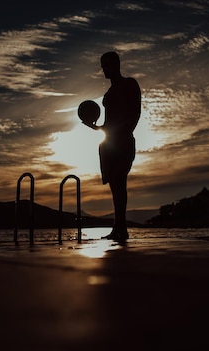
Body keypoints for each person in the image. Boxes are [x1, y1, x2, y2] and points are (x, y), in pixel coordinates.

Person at [83, 51, 141, 241]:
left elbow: (135, 114)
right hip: (108, 144)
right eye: (102, 65)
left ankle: (121, 228)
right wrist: (97, 127)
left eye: (107, 65)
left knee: (120, 182)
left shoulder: (130, 84)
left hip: (123, 142)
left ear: (116, 64)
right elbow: (108, 125)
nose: (104, 69)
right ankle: (118, 227)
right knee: (115, 186)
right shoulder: (108, 95)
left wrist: (122, 134)